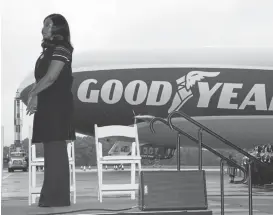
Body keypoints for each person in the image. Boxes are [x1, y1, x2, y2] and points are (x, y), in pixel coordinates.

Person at [26, 13, 76, 207]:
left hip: (57, 105)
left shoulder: (62, 48)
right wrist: (36, 94)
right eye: (43, 25)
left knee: (55, 148)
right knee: (51, 148)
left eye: (48, 25)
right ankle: (52, 197)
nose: (43, 28)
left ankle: (57, 198)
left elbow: (51, 77)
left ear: (58, 28)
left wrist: (32, 94)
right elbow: (41, 79)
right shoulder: (48, 50)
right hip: (48, 104)